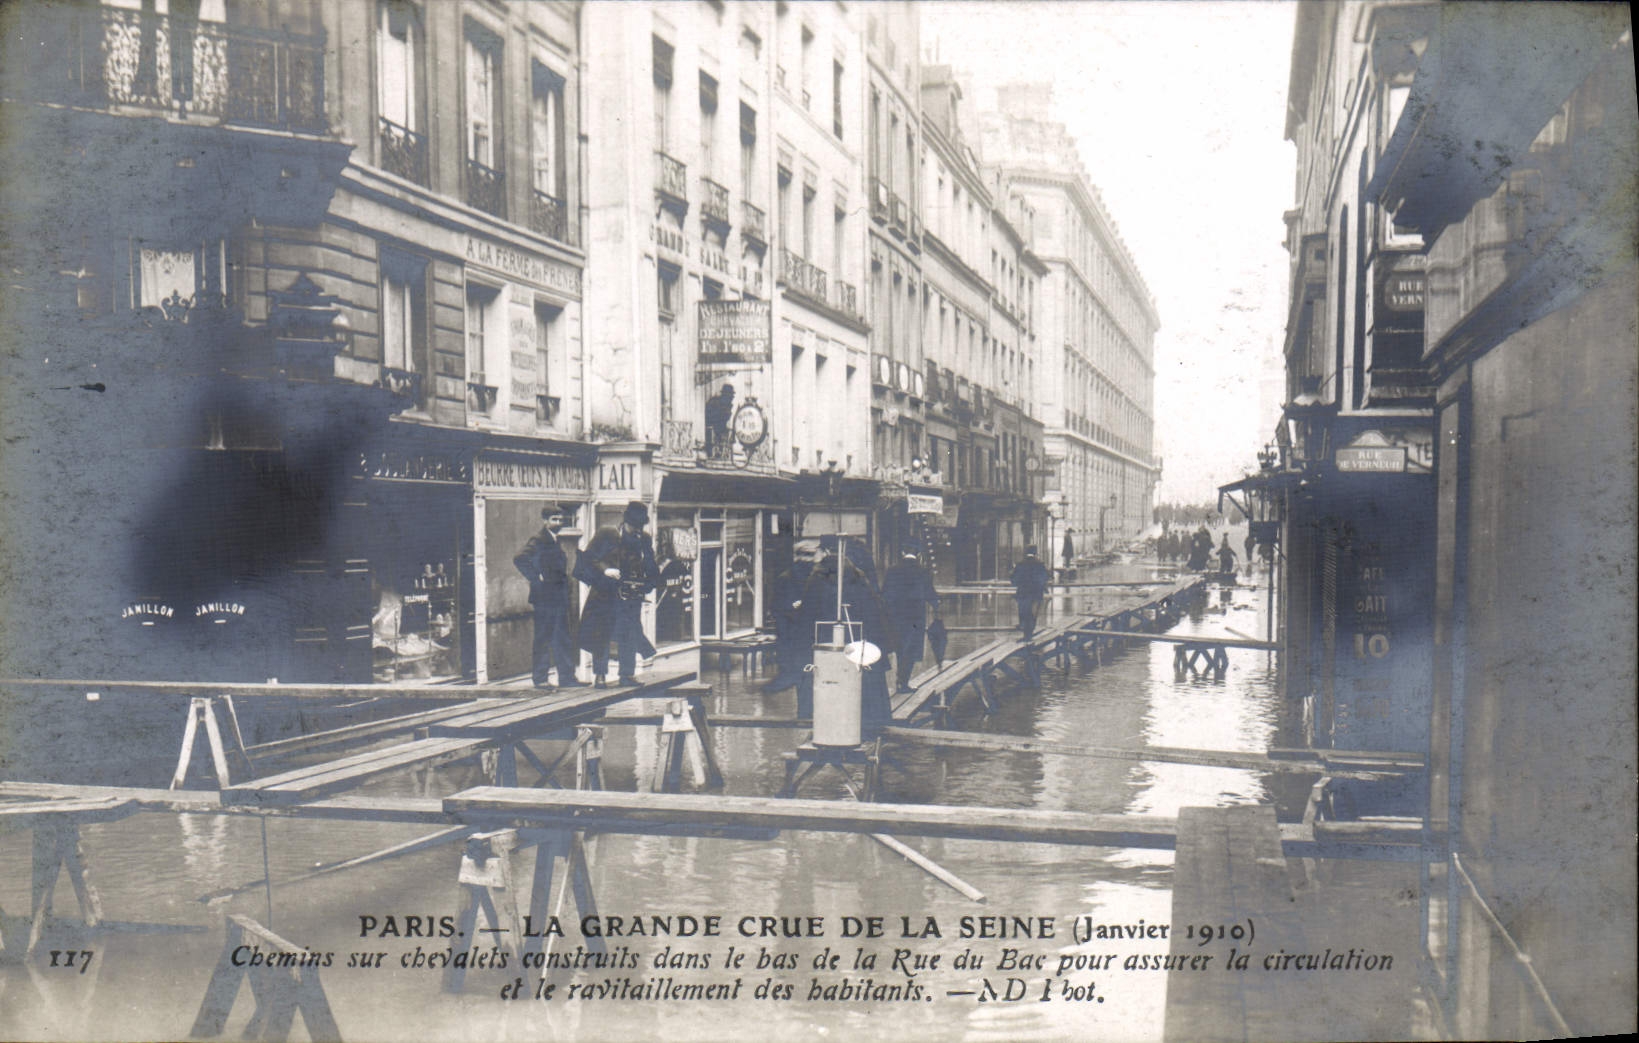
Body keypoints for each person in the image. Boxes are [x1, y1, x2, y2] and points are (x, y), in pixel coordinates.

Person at [573, 501, 659, 687]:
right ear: (625, 522)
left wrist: (649, 584)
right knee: (601, 632)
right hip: (605, 593)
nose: (636, 531)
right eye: (633, 527)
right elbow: (589, 558)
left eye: (639, 527)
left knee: (629, 633)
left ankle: (626, 675)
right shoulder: (607, 534)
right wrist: (606, 570)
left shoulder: (644, 538)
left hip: (629, 595)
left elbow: (651, 564)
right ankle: (600, 675)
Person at [513, 502, 584, 688]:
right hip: (545, 598)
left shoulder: (554, 539)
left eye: (561, 519)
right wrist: (536, 578)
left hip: (558, 598)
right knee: (543, 638)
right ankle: (541, 679)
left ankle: (567, 678)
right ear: (545, 521)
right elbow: (520, 558)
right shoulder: (539, 539)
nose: (558, 522)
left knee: (562, 637)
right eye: (554, 519)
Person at [763, 539, 822, 694]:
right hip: (793, 634)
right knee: (798, 675)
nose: (810, 560)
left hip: (803, 635)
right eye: (808, 555)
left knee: (802, 676)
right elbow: (777, 607)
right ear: (799, 556)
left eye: (812, 555)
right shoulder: (788, 578)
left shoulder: (815, 577)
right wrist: (794, 607)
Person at [880, 549, 939, 693]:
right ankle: (903, 682)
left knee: (898, 648)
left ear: (903, 552)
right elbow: (929, 593)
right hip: (915, 618)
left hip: (895, 617)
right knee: (911, 650)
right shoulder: (923, 571)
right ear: (918, 554)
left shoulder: (892, 571)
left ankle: (895, 681)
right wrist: (936, 604)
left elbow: (884, 594)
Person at [1009, 545, 1050, 639]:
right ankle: (1030, 632)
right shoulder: (1040, 564)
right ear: (1035, 553)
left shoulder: (1020, 564)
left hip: (1023, 592)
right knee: (1033, 612)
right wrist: (1042, 587)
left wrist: (1018, 584)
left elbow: (1014, 579)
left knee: (1023, 611)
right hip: (1036, 593)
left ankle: (1025, 631)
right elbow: (1045, 578)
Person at [703, 383, 736, 458]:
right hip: (713, 430)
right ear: (725, 395)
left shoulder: (727, 405)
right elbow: (711, 417)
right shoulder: (715, 403)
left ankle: (721, 451)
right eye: (730, 396)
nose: (731, 399)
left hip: (720, 430)